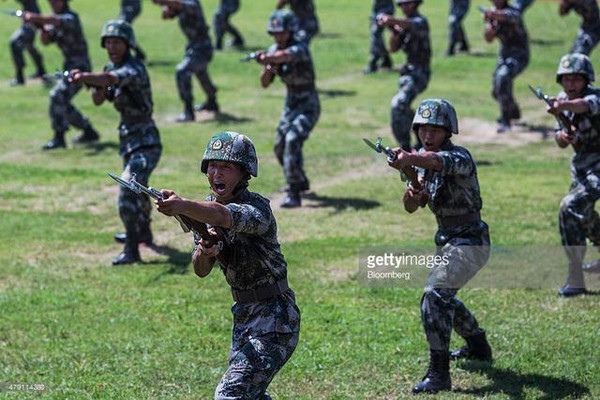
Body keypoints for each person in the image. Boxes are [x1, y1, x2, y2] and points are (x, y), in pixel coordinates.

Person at [155, 131, 301, 399]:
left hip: (276, 320)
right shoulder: (205, 209)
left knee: (230, 393)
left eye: (226, 167)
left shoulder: (256, 209)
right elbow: (200, 270)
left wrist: (183, 205)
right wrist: (206, 249)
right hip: (244, 316)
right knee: (251, 394)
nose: (216, 174)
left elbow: (224, 216)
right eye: (212, 166)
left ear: (244, 173)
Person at [387, 99, 492, 394]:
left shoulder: (459, 157)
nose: (428, 136)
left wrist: (409, 158)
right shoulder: (421, 162)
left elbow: (436, 162)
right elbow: (411, 206)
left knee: (434, 295)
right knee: (443, 296)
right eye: (423, 129)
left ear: (448, 131)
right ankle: (477, 344)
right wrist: (414, 190)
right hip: (446, 240)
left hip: (471, 240)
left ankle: (439, 373)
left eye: (435, 130)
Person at [70, 20, 162, 265]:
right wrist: (93, 85)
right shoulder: (111, 67)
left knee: (127, 189)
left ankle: (132, 250)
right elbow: (101, 99)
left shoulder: (133, 69)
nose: (112, 46)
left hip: (146, 141)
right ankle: (143, 232)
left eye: (117, 42)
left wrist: (85, 76)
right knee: (139, 191)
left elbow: (112, 77)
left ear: (128, 44)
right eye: (108, 42)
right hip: (128, 140)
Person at [254, 9, 320, 208]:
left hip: (308, 103)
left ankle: (294, 191)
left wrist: (269, 58)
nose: (278, 36)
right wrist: (267, 67)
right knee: (279, 146)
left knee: (292, 140)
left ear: (291, 31)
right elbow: (265, 83)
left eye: (281, 32)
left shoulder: (299, 47)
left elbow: (286, 56)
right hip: (291, 103)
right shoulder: (273, 51)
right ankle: (299, 179)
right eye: (274, 33)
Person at [546, 53, 600, 296]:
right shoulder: (562, 103)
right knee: (584, 214)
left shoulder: (593, 98)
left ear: (586, 79)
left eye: (576, 79)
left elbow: (585, 106)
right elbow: (560, 140)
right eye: (566, 80)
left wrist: (562, 106)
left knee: (569, 207)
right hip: (581, 168)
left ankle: (575, 278)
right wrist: (564, 136)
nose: (570, 85)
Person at [24, 0, 99, 150]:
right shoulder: (54, 22)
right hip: (69, 66)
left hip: (80, 67)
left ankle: (59, 137)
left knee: (57, 95)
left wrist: (35, 17)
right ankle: (88, 131)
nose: (53, 3)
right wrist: (41, 29)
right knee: (62, 100)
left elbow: (55, 20)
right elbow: (46, 41)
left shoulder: (70, 18)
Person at [377, 0, 431, 151]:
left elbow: (409, 24)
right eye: (401, 5)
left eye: (407, 4)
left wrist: (390, 20)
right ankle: (423, 131)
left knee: (398, 104)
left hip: (420, 71)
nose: (403, 7)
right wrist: (393, 31)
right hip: (407, 72)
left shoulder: (420, 21)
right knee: (403, 106)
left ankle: (405, 146)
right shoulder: (403, 26)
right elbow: (393, 49)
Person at [153, 0, 219, 122]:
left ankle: (188, 112)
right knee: (201, 74)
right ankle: (212, 102)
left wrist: (164, 1)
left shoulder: (192, 3)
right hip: (194, 48)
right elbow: (166, 16)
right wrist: (166, 7)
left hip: (202, 49)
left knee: (182, 71)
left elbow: (180, 5)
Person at [482, 0, 529, 133]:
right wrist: (490, 30)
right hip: (504, 54)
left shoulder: (513, 10)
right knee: (496, 91)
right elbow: (488, 39)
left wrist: (493, 14)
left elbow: (508, 16)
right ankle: (513, 110)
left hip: (519, 54)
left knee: (503, 78)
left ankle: (505, 119)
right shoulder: (492, 15)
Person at [9, 0, 46, 86]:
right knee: (29, 45)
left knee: (15, 42)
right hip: (31, 21)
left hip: (32, 22)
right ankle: (41, 71)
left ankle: (20, 77)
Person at [364, 0, 395, 74]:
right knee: (376, 35)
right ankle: (386, 60)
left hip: (385, 9)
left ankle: (373, 62)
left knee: (375, 33)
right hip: (377, 9)